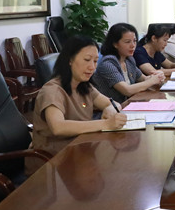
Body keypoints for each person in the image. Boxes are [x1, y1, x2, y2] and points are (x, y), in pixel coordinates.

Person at [30, 36, 127, 169]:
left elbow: (112, 103)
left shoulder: (84, 86)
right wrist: (106, 123)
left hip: (80, 151)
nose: (92, 67)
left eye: (95, 61)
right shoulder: (52, 91)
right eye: (87, 60)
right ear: (69, 60)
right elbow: (58, 127)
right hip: (53, 162)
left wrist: (109, 109)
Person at [93, 22, 165, 103]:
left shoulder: (129, 60)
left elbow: (144, 79)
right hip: (112, 108)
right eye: (127, 42)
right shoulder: (108, 64)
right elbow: (127, 90)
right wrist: (152, 81)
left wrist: (157, 77)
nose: (133, 45)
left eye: (134, 41)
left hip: (129, 104)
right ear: (115, 44)